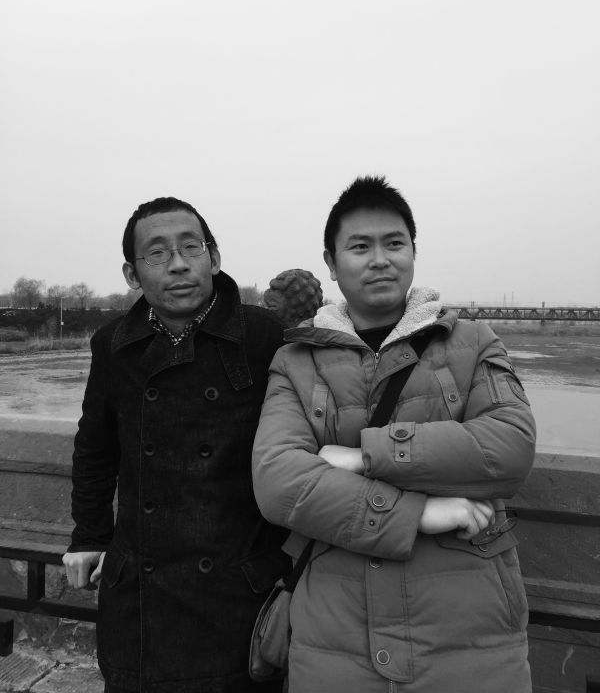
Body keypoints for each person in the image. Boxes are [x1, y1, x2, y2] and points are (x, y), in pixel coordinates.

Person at [252, 176, 536, 693]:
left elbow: (510, 448)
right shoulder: (295, 361)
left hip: (470, 634)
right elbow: (277, 481)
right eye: (360, 247)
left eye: (394, 243)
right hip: (334, 639)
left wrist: (365, 455)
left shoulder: (473, 341)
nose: (380, 260)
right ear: (331, 263)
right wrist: (417, 513)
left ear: (413, 252)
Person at [63, 197, 289, 693]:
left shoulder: (264, 337)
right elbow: (95, 450)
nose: (179, 264)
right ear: (132, 273)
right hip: (141, 594)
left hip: (238, 585)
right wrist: (89, 536)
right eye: (158, 253)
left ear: (215, 257)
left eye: (192, 247)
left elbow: (298, 449)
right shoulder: (112, 344)